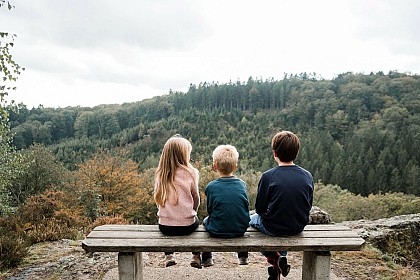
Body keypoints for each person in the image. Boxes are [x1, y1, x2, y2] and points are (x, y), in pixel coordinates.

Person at [249, 131, 314, 280]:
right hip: (297, 227)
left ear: (274, 153)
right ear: (296, 153)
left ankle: (274, 258)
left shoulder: (268, 176)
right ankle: (278, 264)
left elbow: (259, 209)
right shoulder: (307, 175)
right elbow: (308, 205)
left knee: (248, 219)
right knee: (282, 222)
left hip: (273, 227)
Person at [154, 135, 203, 269]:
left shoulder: (161, 173)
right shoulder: (191, 172)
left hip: (165, 226)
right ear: (184, 154)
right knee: (197, 223)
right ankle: (196, 256)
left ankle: (169, 256)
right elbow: (196, 198)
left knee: (166, 221)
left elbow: (157, 199)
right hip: (187, 225)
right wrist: (193, 211)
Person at [202, 145, 251, 267]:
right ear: (235, 167)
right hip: (240, 229)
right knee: (239, 216)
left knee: (205, 221)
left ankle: (207, 257)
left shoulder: (211, 187)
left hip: (217, 230)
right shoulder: (242, 184)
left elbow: (210, 210)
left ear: (215, 166)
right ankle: (243, 256)